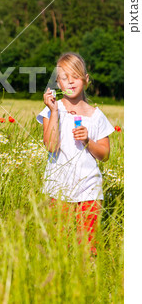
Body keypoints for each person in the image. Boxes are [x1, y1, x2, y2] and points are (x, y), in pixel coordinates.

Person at [36, 52, 114, 254]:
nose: (70, 81)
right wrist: (53, 112)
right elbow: (51, 146)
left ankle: (88, 279)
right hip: (58, 187)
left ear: (86, 80)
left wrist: (88, 141)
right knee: (57, 243)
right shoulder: (52, 110)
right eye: (64, 77)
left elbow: (105, 155)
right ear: (58, 83)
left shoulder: (97, 116)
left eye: (75, 76)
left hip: (89, 189)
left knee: (88, 246)